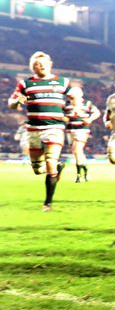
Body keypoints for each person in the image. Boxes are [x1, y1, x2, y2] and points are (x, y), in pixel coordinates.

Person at [7, 51, 73, 211]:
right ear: (32, 67)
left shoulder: (62, 82)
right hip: (34, 130)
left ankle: (47, 203)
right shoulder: (26, 84)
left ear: (50, 64)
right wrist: (17, 102)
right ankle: (57, 169)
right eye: (37, 64)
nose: (41, 65)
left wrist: (70, 113)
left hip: (54, 127)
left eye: (43, 62)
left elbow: (75, 97)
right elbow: (11, 103)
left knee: (50, 160)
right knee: (38, 169)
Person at [64, 86, 101, 183]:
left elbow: (97, 113)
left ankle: (78, 175)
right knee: (77, 153)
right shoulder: (66, 105)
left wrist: (90, 119)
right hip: (70, 130)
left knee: (77, 150)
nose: (71, 98)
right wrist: (64, 118)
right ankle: (85, 170)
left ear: (80, 95)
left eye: (73, 96)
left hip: (82, 130)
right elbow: (61, 115)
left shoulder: (87, 104)